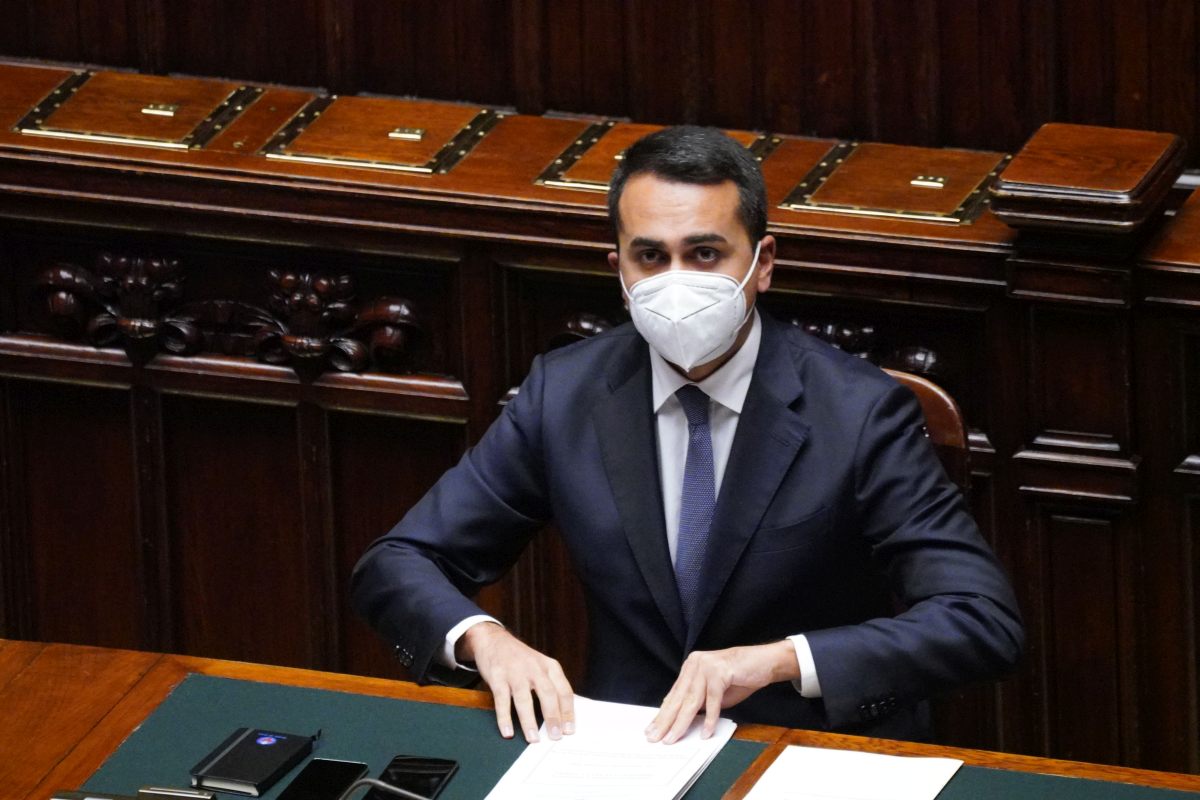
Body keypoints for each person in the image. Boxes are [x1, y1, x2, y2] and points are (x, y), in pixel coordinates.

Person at [351, 125, 1023, 747]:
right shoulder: (567, 393)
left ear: (762, 263)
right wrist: (484, 639)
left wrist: (783, 659)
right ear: (619, 272)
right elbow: (399, 560)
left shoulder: (859, 412)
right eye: (651, 256)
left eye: (704, 254)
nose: (676, 281)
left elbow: (979, 619)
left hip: (804, 746)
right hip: (627, 751)